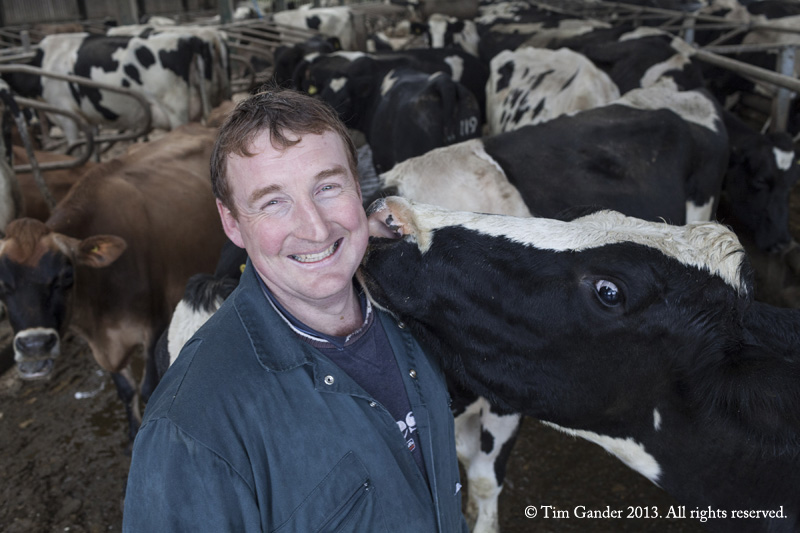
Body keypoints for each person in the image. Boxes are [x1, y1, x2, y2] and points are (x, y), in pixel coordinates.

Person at [122, 87, 468, 532]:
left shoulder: (412, 306)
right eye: (273, 202)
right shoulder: (190, 429)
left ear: (359, 186)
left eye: (327, 186)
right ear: (231, 222)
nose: (316, 227)